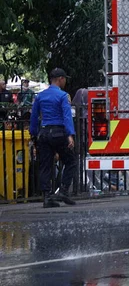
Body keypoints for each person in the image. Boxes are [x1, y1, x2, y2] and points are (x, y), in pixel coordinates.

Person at [30, 68, 77, 208]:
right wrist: (70, 135)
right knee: (71, 162)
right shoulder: (63, 96)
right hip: (59, 133)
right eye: (65, 79)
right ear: (60, 79)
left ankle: (47, 197)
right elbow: (67, 116)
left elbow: (34, 116)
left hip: (44, 134)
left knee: (45, 165)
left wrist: (33, 134)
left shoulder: (40, 96)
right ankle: (63, 191)